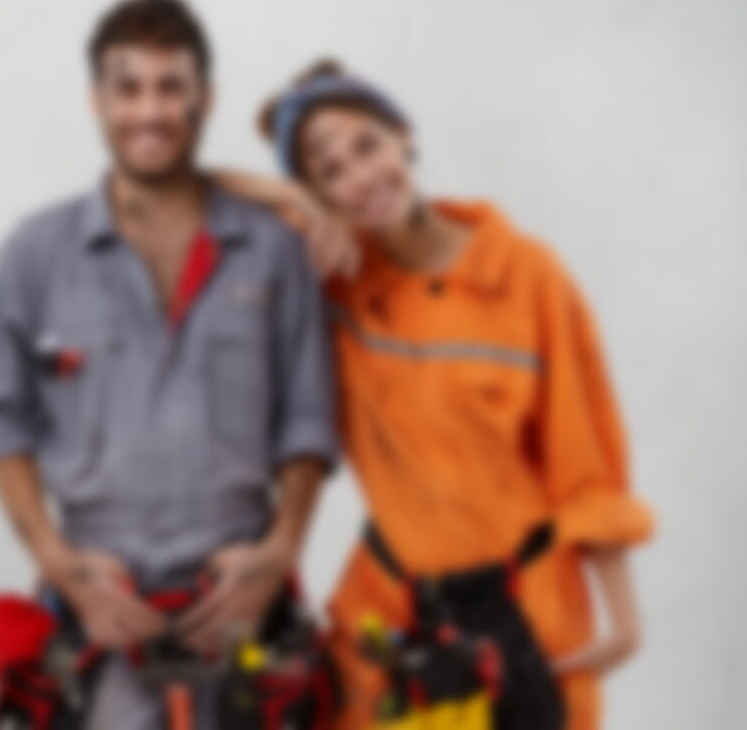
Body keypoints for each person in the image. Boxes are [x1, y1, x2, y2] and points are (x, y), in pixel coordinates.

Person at [213, 60, 655, 730]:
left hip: (522, 615)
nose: (360, 177)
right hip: (389, 613)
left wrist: (624, 622)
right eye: (330, 172)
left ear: (404, 135)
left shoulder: (525, 276)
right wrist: (293, 200)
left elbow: (586, 462)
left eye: (367, 145)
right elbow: (191, 193)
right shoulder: (336, 278)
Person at [0, 0, 338, 729]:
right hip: (103, 604)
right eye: (128, 88)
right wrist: (58, 561)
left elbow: (308, 416)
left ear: (205, 99)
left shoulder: (272, 249)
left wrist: (282, 549)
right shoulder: (35, 255)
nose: (150, 110)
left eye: (171, 87)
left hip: (240, 599)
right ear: (97, 101)